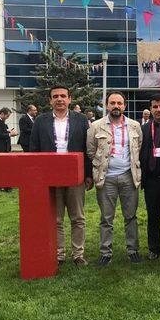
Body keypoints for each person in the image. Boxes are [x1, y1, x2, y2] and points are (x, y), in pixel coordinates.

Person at [29, 85, 92, 266]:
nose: (59, 99)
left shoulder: (80, 120)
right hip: (50, 177)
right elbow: (34, 149)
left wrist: (88, 174)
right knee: (55, 218)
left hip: (75, 176)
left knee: (78, 217)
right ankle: (59, 254)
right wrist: (38, 177)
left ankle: (78, 254)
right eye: (55, 96)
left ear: (70, 99)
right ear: (50, 100)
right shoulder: (41, 121)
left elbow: (87, 149)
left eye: (63, 96)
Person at [87, 91, 143, 266]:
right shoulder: (96, 126)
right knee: (106, 218)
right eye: (113, 103)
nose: (116, 106)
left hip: (129, 176)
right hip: (106, 178)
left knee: (131, 216)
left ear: (124, 106)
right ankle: (105, 252)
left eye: (119, 103)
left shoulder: (134, 126)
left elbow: (138, 146)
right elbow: (90, 150)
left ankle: (133, 250)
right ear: (106, 105)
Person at [139, 93, 160, 260]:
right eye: (155, 107)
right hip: (151, 180)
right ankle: (154, 248)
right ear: (150, 109)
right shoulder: (143, 129)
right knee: (153, 215)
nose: (159, 110)